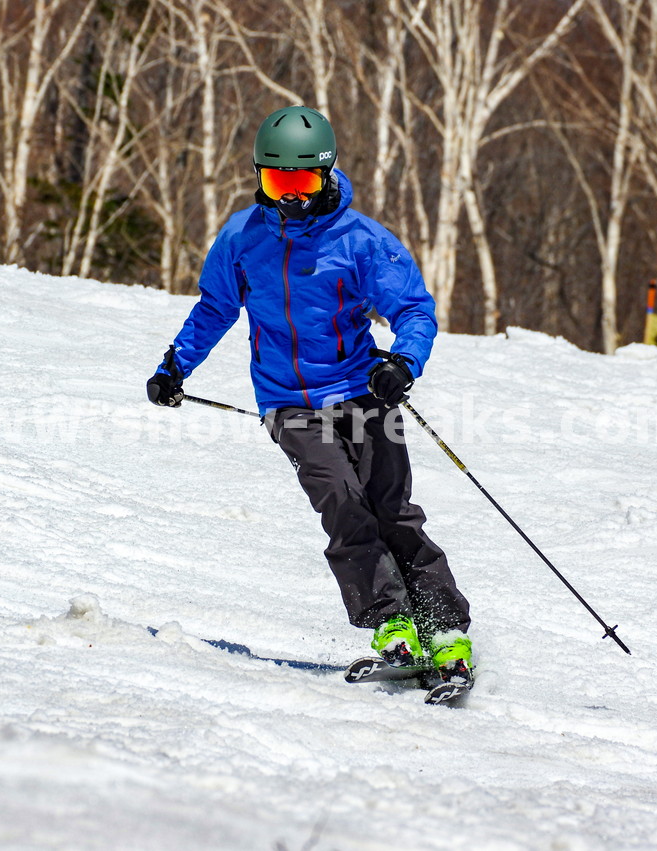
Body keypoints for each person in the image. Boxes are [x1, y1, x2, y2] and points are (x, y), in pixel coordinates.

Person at [146, 105, 472, 682]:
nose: (291, 197)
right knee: (343, 502)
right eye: (277, 182)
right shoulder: (243, 240)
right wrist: (176, 366)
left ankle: (442, 628)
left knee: (392, 508)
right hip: (288, 402)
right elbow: (216, 308)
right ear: (258, 178)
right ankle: (392, 622)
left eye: (302, 182)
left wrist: (402, 363)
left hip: (363, 392)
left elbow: (414, 309)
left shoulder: (362, 241)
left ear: (327, 174)